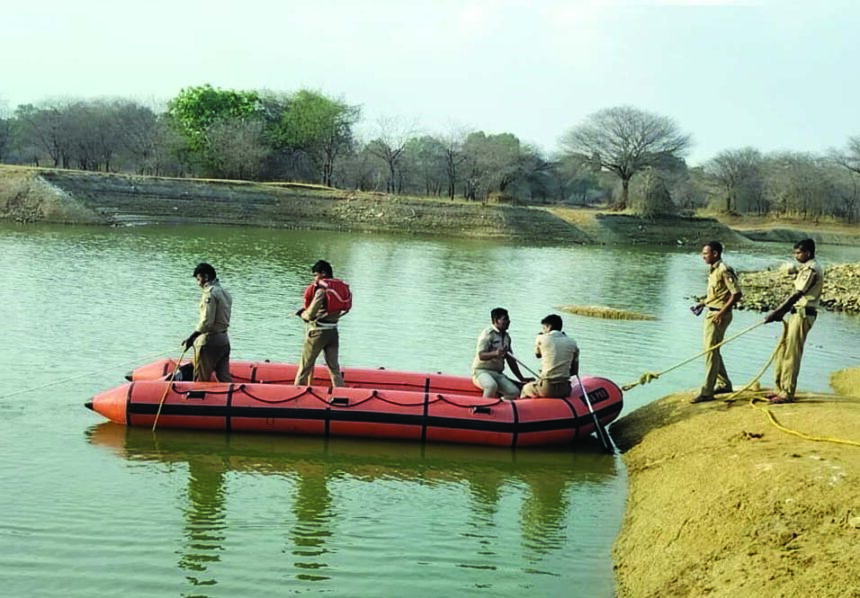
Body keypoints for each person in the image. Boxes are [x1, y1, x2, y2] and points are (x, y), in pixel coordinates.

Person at [764, 239, 824, 404]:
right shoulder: (805, 268)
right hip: (796, 313)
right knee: (783, 350)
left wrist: (777, 312)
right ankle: (779, 387)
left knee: (792, 353)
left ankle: (787, 392)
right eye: (795, 253)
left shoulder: (812, 269)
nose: (796, 256)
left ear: (808, 253)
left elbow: (797, 294)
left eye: (799, 253)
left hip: (803, 314)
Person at [691, 241, 743, 404]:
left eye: (705, 253)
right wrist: (703, 302)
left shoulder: (724, 270)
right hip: (711, 311)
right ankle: (724, 383)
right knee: (712, 351)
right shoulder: (713, 270)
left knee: (710, 352)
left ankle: (707, 391)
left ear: (715, 254)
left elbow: (736, 294)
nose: (703, 256)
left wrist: (721, 312)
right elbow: (719, 293)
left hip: (718, 316)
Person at [294, 260, 351, 387]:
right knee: (334, 368)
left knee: (305, 367)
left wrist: (301, 314)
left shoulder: (321, 291)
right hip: (333, 333)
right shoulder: (340, 288)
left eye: (315, 275)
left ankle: (296, 396)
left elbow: (309, 315)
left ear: (323, 274)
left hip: (317, 333)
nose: (314, 278)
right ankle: (341, 394)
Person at [181, 262, 233, 382]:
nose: (198, 283)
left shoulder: (209, 293)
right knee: (224, 379)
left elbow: (206, 322)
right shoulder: (225, 293)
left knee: (200, 380)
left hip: (210, 342)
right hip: (224, 340)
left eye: (198, 279)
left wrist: (192, 337)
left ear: (205, 277)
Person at [471, 307, 532, 399]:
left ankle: (499, 407)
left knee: (514, 392)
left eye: (508, 319)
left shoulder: (507, 337)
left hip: (497, 373)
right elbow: (481, 355)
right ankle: (483, 408)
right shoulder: (487, 334)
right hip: (481, 372)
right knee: (491, 386)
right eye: (505, 319)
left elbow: (511, 360)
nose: (509, 321)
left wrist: (521, 378)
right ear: (496, 320)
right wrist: (495, 353)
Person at [520, 314, 579, 399]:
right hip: (565, 388)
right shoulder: (573, 343)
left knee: (525, 389)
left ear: (548, 327)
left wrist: (540, 337)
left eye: (543, 328)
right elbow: (574, 371)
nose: (543, 330)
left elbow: (538, 355)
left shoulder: (541, 338)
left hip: (547, 387)